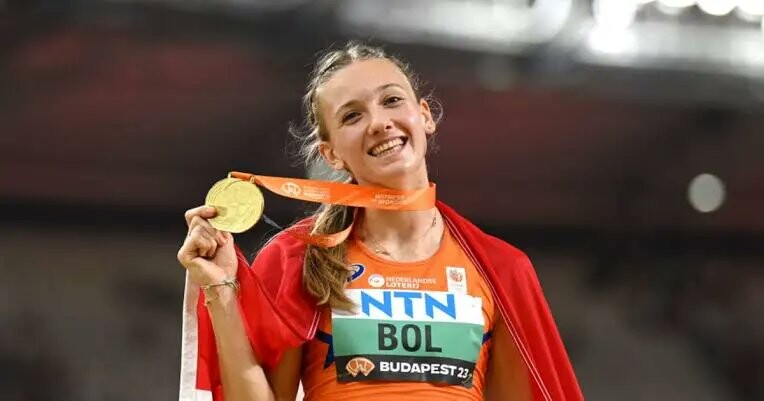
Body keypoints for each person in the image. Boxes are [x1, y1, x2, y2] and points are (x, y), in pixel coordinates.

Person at [177, 42, 582, 401]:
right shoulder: (299, 259)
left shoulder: (501, 270)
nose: (378, 122)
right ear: (331, 153)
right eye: (352, 116)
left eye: (391, 100)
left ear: (424, 116)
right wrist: (221, 292)